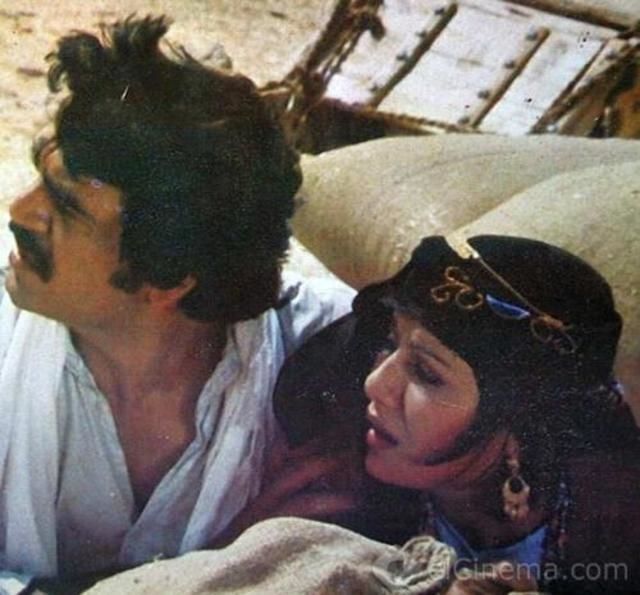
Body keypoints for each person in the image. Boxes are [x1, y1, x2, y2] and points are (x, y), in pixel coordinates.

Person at [0, 14, 352, 587]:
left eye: (63, 208)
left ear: (166, 280)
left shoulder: (323, 355)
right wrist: (228, 565)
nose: (18, 211)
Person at [273, 234, 640, 593]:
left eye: (425, 373)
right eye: (389, 343)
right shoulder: (339, 456)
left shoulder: (618, 518)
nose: (375, 384)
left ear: (514, 417)